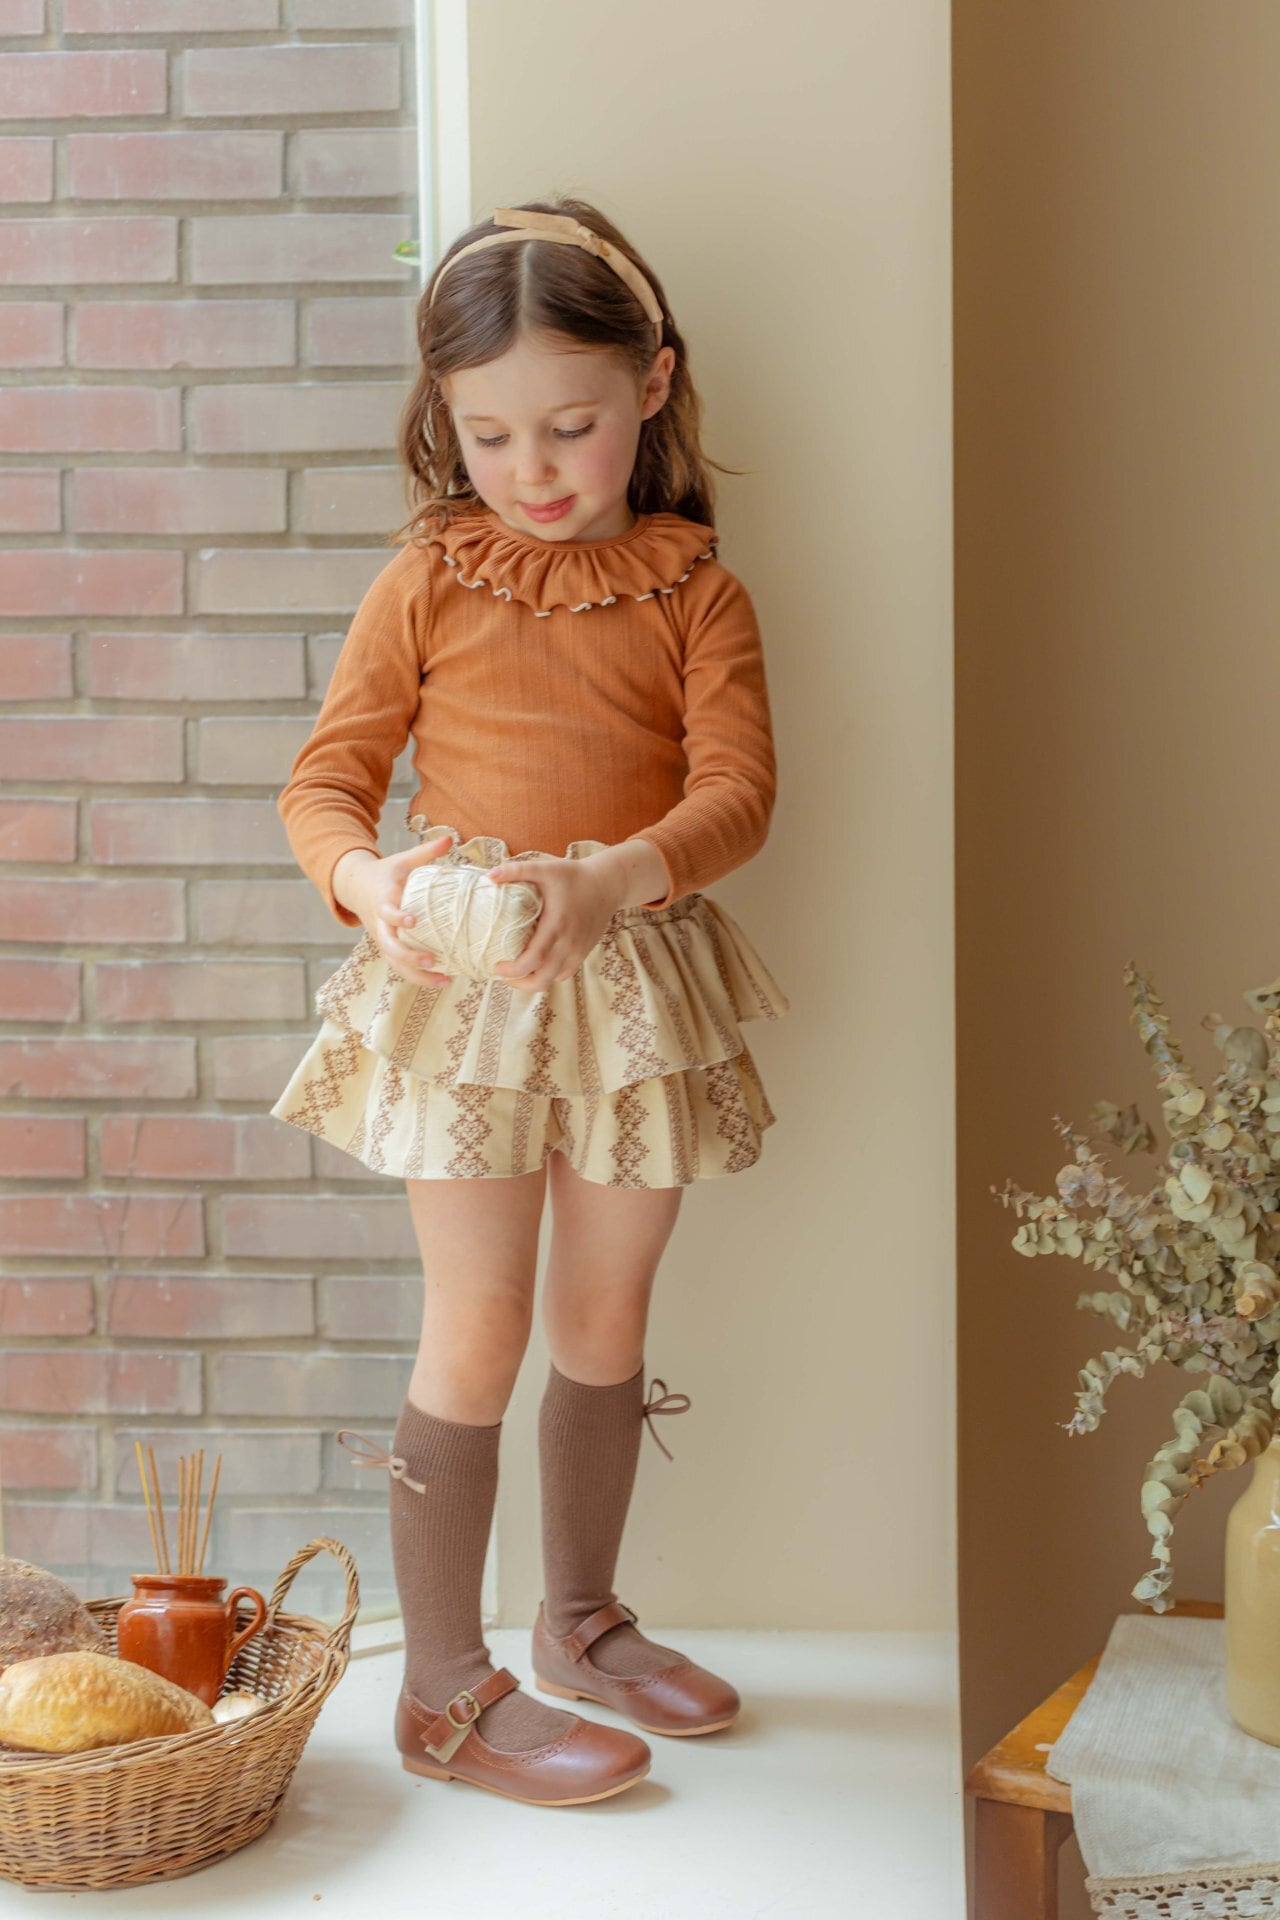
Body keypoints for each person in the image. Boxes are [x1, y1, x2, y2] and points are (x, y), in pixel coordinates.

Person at [269, 198, 790, 1807]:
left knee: (606, 1318)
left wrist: (614, 880)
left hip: (631, 987)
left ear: (653, 385)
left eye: (570, 425)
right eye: (488, 435)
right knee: (479, 1319)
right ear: (444, 417)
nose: (533, 469)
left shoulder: (696, 593)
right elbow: (324, 785)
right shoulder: (425, 581)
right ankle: (440, 1688)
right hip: (463, 997)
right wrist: (373, 885)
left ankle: (580, 1623)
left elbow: (739, 798)